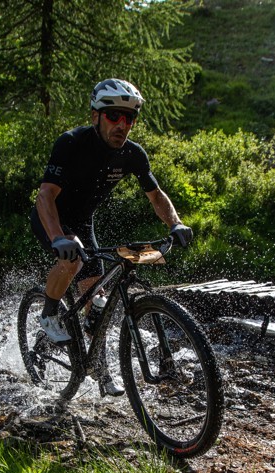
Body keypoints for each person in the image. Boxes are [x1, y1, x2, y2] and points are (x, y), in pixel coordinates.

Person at [30, 78, 193, 395]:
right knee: (72, 262)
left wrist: (175, 223)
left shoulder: (132, 154)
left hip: (83, 221)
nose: (122, 124)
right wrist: (57, 239)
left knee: (96, 303)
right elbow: (45, 195)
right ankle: (48, 314)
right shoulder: (71, 143)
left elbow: (155, 194)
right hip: (51, 217)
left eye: (129, 118)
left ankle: (99, 369)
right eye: (114, 116)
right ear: (95, 116)